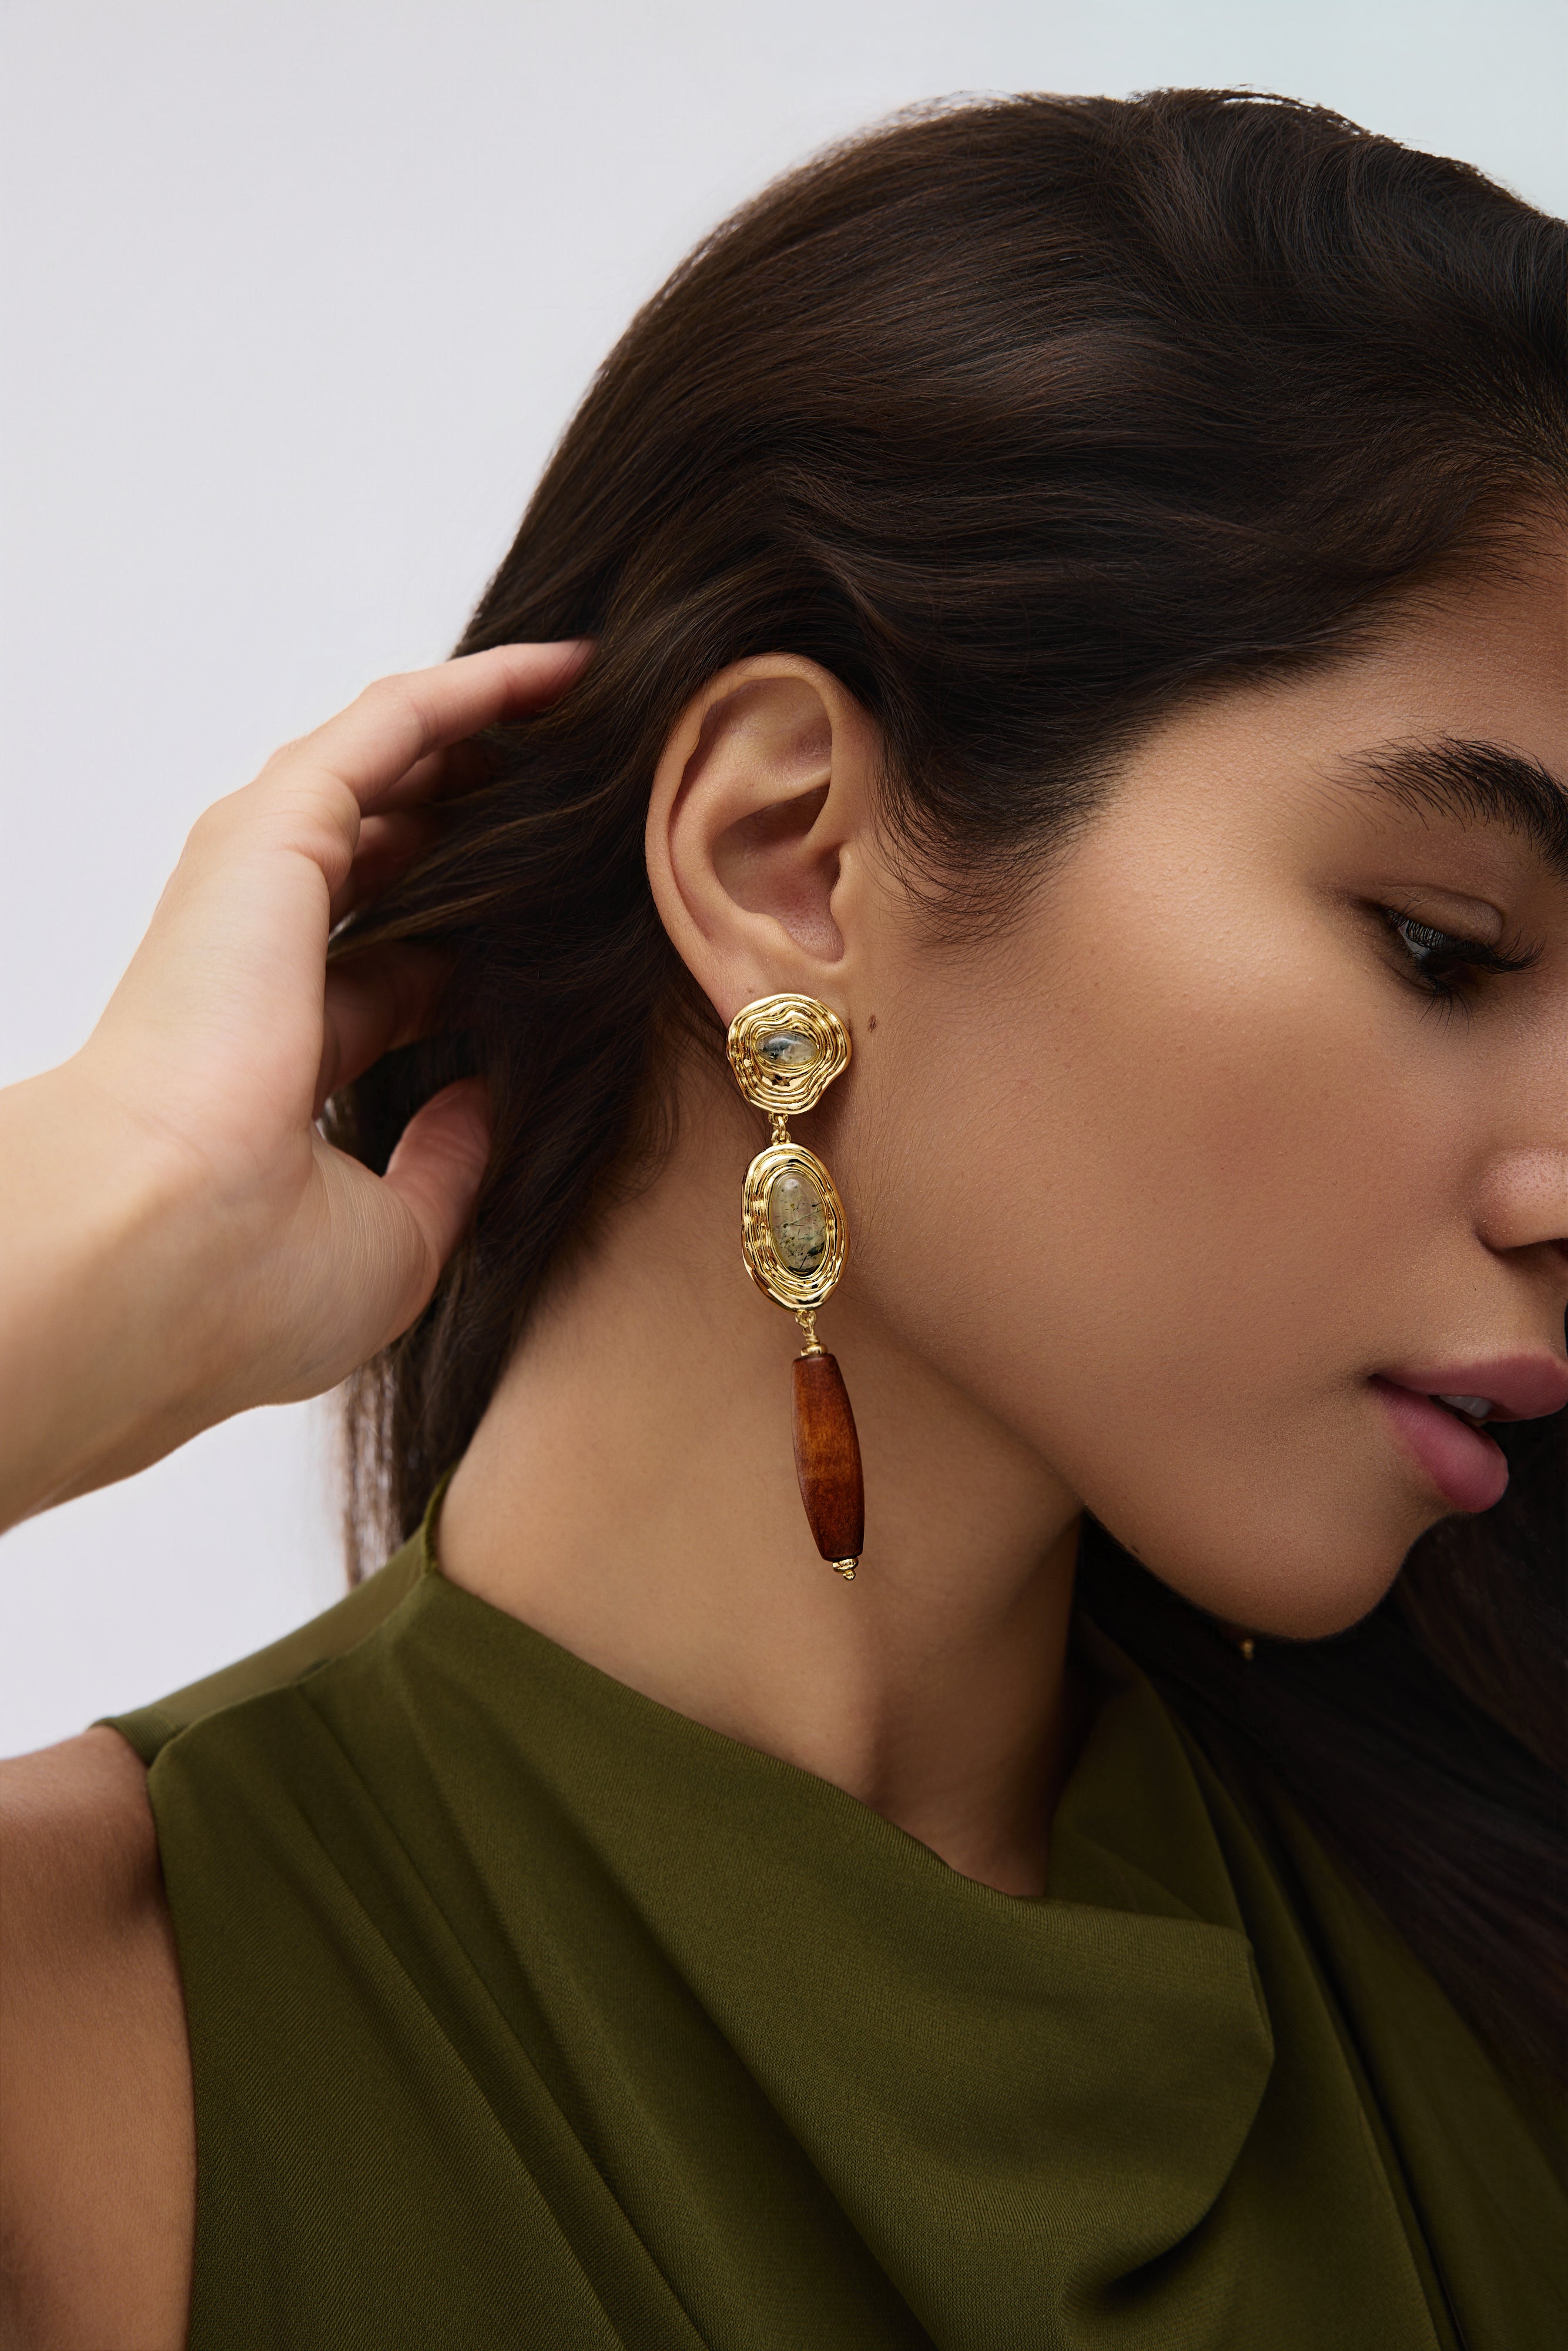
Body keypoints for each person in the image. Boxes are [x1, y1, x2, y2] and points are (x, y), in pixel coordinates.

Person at [1, 87, 1564, 2351]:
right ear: (789, 860)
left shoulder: (1492, 1962)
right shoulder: (88, 2037)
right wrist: (78, 1255)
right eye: (1444, 943)